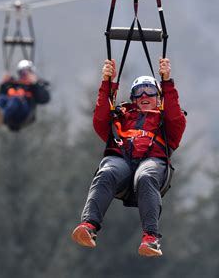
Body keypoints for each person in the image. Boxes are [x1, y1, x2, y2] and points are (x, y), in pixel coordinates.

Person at [71, 58, 186, 257]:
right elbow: (100, 119)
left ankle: (151, 237)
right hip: (122, 161)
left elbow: (175, 116)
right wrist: (107, 82)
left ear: (158, 97)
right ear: (133, 98)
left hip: (153, 162)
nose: (144, 95)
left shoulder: (166, 121)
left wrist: (167, 81)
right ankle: (89, 225)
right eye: (138, 91)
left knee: (146, 176)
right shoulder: (122, 117)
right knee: (106, 172)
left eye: (149, 90)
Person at [0, 59, 50, 131]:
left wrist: (35, 84)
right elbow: (1, 94)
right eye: (22, 73)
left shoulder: (35, 86)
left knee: (15, 100)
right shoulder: (15, 84)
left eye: (27, 72)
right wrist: (4, 83)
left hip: (24, 112)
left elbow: (44, 99)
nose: (25, 75)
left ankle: (3, 117)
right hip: (12, 110)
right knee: (2, 98)